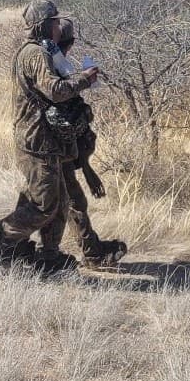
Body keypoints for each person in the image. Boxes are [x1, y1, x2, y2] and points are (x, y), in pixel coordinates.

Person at [0, 0, 98, 275]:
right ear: (43, 25)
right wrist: (85, 79)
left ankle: (49, 257)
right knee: (43, 206)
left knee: (58, 203)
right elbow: (55, 91)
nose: (58, 27)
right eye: (54, 22)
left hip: (44, 140)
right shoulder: (35, 54)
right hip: (37, 141)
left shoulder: (37, 51)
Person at [49, 18, 127, 268]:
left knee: (68, 200)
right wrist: (83, 80)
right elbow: (60, 104)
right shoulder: (49, 66)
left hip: (59, 147)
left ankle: (90, 251)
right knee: (51, 204)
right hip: (51, 147)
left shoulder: (52, 64)